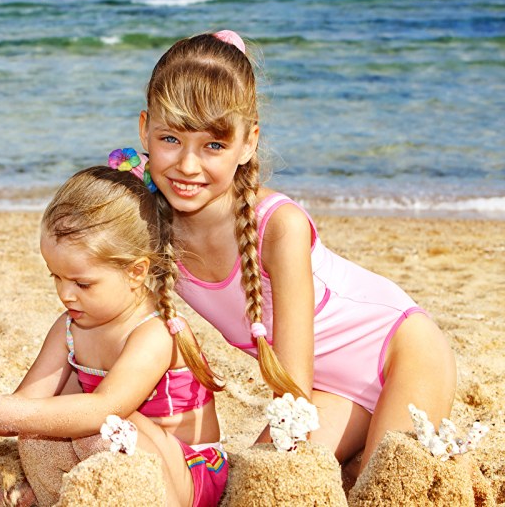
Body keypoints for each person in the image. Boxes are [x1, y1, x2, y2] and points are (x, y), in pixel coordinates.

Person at [134, 30, 456, 476]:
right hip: (329, 394)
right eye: (170, 139)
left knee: (383, 483)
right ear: (143, 129)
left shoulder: (278, 226)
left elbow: (293, 387)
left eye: (213, 145)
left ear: (248, 142)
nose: (188, 166)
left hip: (401, 354)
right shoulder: (144, 227)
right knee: (253, 484)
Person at [0, 164, 228, 507]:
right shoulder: (69, 327)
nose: (66, 294)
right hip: (115, 456)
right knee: (37, 435)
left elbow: (106, 408)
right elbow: (24, 407)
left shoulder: (155, 331)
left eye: (82, 283)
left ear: (136, 272)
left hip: (188, 476)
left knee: (101, 429)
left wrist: (3, 412)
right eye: (55, 277)